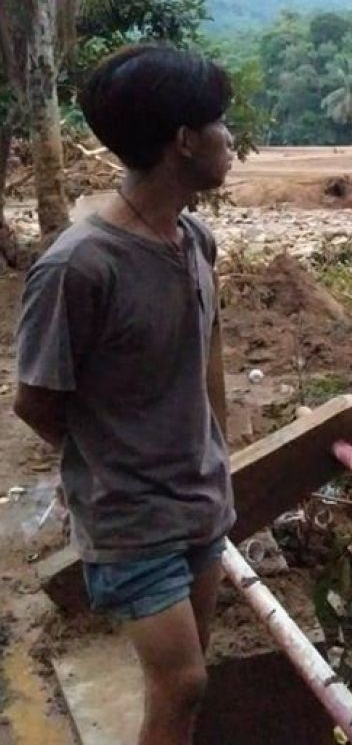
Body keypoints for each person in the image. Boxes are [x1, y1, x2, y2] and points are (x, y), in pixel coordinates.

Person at [13, 43, 236, 745]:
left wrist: (217, 450)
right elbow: (36, 400)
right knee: (185, 681)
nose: (231, 140)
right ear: (184, 142)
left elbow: (209, 353)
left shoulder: (193, 239)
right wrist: (115, 461)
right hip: (130, 515)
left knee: (182, 690)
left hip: (200, 495)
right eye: (220, 125)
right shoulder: (79, 267)